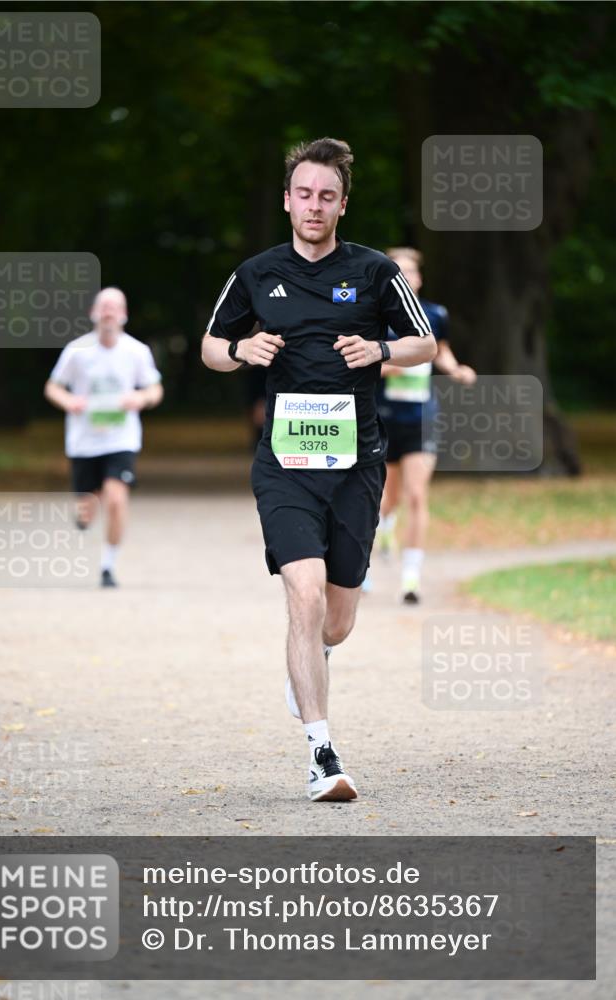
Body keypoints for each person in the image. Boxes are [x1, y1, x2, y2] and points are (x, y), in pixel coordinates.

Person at [201, 138, 436, 802]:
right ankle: (321, 753)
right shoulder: (254, 273)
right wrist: (242, 349)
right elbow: (210, 347)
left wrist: (382, 348)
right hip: (284, 464)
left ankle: (316, 657)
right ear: (286, 200)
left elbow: (426, 343)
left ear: (341, 204)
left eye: (325, 196)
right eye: (303, 193)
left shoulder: (375, 272)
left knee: (335, 621)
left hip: (357, 463)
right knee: (301, 597)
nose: (313, 205)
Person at [374, 247, 476, 603]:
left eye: (410, 272)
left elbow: (441, 350)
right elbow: (362, 363)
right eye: (396, 271)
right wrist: (391, 366)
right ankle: (383, 527)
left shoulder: (435, 314)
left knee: (416, 495)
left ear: (419, 278)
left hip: (422, 417)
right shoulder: (375, 315)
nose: (405, 277)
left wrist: (455, 369)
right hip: (383, 418)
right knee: (389, 497)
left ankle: (410, 579)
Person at [44, 287, 163, 587]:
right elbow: (53, 387)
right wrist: (68, 402)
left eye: (115, 307)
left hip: (121, 439)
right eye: (104, 307)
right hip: (83, 440)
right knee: (87, 504)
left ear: (123, 315)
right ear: (94, 314)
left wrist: (140, 398)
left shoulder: (137, 351)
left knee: (116, 499)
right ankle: (87, 507)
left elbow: (154, 389)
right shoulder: (76, 351)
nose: (109, 312)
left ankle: (108, 566)